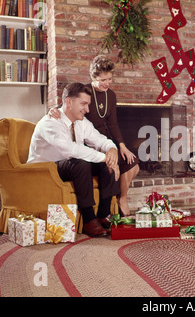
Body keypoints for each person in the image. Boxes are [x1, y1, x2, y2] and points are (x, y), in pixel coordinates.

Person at [50, 55, 140, 216]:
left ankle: (122, 198)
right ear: (93, 77)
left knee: (132, 163)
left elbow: (112, 123)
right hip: (86, 141)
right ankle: (108, 208)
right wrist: (53, 109)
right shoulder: (84, 91)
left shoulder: (111, 95)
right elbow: (66, 105)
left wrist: (121, 145)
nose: (107, 83)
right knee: (111, 165)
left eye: (110, 79)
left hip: (104, 140)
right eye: (102, 80)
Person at [27, 82, 121, 237]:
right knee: (82, 164)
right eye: (83, 104)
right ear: (69, 102)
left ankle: (103, 216)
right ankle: (89, 220)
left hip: (70, 165)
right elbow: (71, 149)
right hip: (44, 169)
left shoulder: (82, 122)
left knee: (107, 165)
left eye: (88, 104)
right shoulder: (50, 122)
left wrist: (111, 151)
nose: (88, 109)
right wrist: (104, 157)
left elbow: (100, 140)